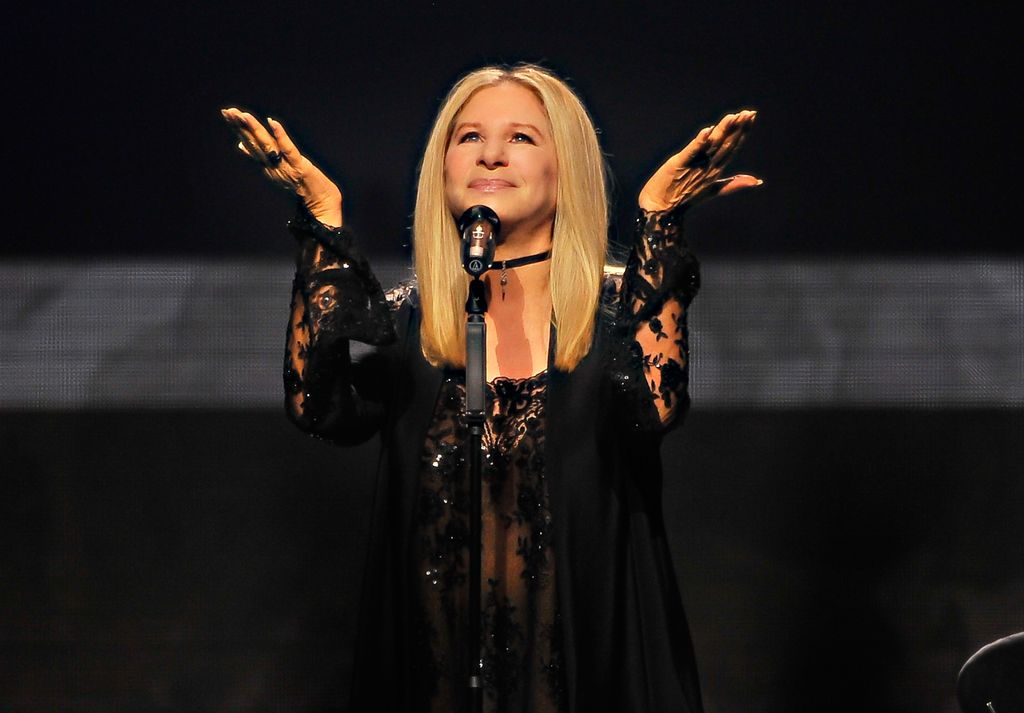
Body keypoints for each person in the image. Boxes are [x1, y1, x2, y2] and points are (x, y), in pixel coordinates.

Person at [222, 63, 758, 713]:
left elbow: (656, 406)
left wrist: (659, 220)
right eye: (469, 136)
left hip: (589, 680)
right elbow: (317, 405)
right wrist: (322, 223)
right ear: (441, 167)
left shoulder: (620, 311)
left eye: (523, 138)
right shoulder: (411, 325)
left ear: (568, 172)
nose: (492, 153)